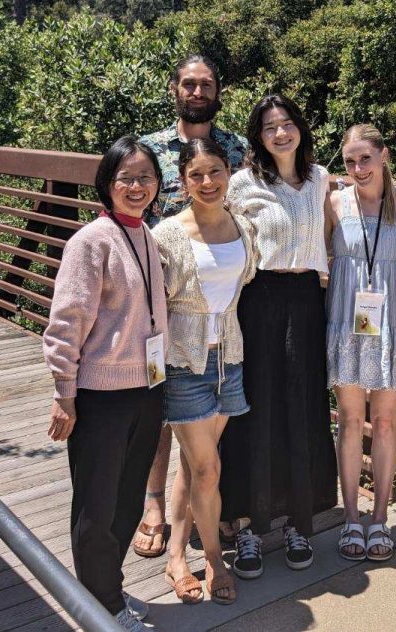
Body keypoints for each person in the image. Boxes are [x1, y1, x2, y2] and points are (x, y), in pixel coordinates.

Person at [43, 135, 167, 632]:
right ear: (107, 184)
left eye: (146, 177)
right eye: (126, 178)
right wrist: (63, 393)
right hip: (101, 393)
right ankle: (102, 610)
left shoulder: (146, 235)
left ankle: (107, 592)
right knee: (96, 505)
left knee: (128, 499)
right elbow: (66, 322)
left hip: (146, 387)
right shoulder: (91, 242)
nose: (137, 187)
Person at [134, 53, 248, 559]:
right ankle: (154, 501)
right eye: (188, 84)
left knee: (204, 417)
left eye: (206, 84)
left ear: (217, 90)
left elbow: (258, 196)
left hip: (218, 287)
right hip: (163, 291)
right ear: (174, 88)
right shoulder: (152, 148)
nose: (197, 92)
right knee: (164, 409)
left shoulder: (236, 147)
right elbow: (126, 198)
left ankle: (204, 502)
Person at [219, 93, 338, 579]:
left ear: (300, 128)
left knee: (302, 405)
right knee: (254, 406)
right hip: (259, 298)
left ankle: (296, 521)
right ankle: (246, 524)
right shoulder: (243, 182)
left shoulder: (321, 179)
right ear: (258, 136)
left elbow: (344, 220)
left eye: (287, 124)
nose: (280, 133)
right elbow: (218, 234)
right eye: (269, 127)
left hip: (307, 298)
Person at [151, 138, 255, 606]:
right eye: (197, 175)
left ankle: (176, 553)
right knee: (208, 468)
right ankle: (213, 558)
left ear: (229, 171)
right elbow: (151, 303)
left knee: (195, 465)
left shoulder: (242, 226)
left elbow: (243, 280)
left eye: (215, 171)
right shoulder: (168, 234)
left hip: (226, 358)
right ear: (183, 180)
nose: (208, 182)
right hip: (183, 361)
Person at [326, 124, 396, 562]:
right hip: (347, 318)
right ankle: (350, 518)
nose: (358, 168)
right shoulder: (333, 203)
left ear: (383, 156)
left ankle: (379, 517)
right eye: (350, 161)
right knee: (348, 420)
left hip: (390, 321)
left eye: (366, 158)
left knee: (384, 421)